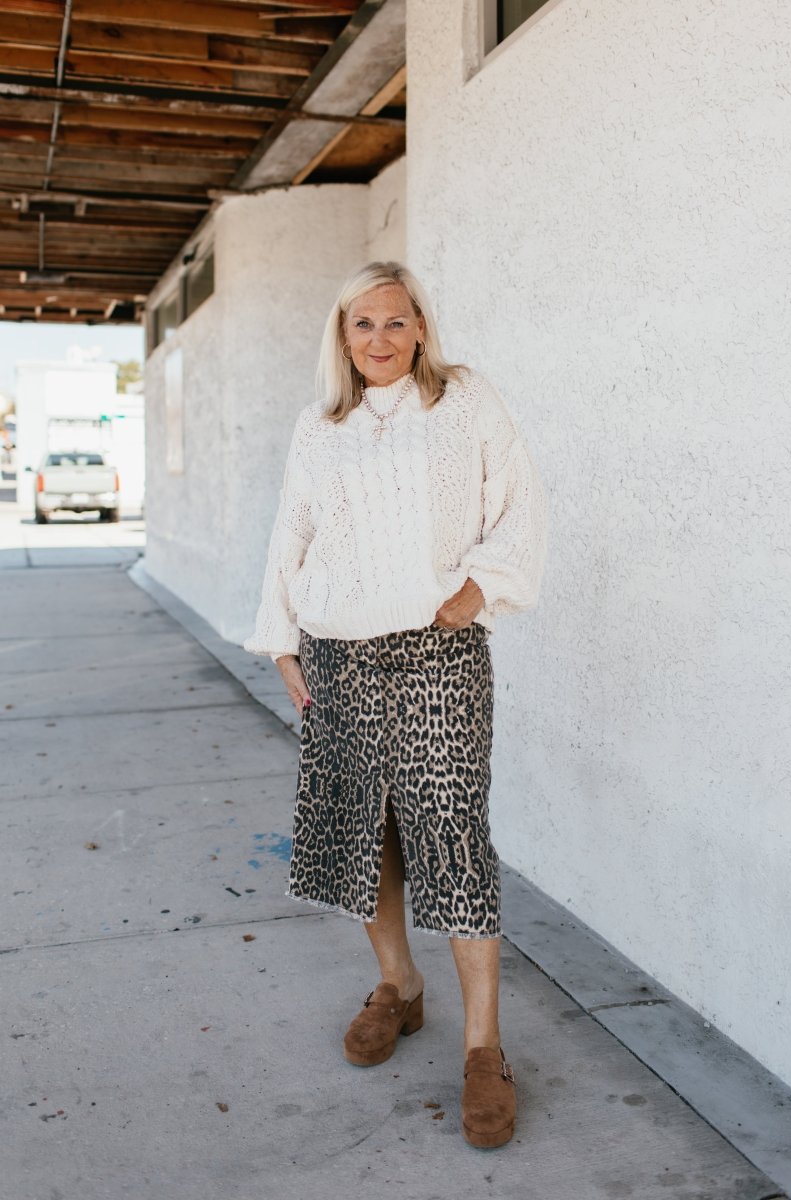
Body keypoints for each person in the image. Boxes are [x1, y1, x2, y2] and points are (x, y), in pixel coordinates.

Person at [244, 260, 547, 1149]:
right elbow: (291, 528)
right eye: (361, 325)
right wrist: (283, 639)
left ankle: (484, 1048)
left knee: (450, 832)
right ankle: (400, 988)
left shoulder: (465, 400)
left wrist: (476, 591)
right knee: (357, 830)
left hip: (435, 653)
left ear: (420, 327)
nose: (378, 339)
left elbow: (518, 502)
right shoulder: (321, 424)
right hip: (336, 654)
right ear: (342, 337)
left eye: (394, 322)